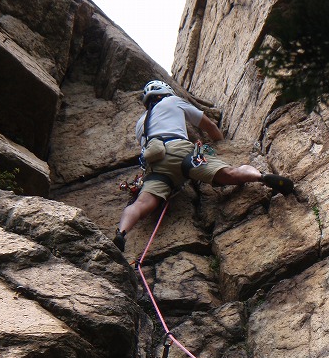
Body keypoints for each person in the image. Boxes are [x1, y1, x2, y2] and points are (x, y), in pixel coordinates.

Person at [113, 80, 294, 251]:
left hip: (156, 165)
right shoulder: (173, 102)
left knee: (142, 204)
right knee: (229, 173)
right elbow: (209, 126)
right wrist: (221, 144)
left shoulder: (140, 125)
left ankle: (121, 232)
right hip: (181, 151)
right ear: (165, 92)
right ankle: (260, 177)